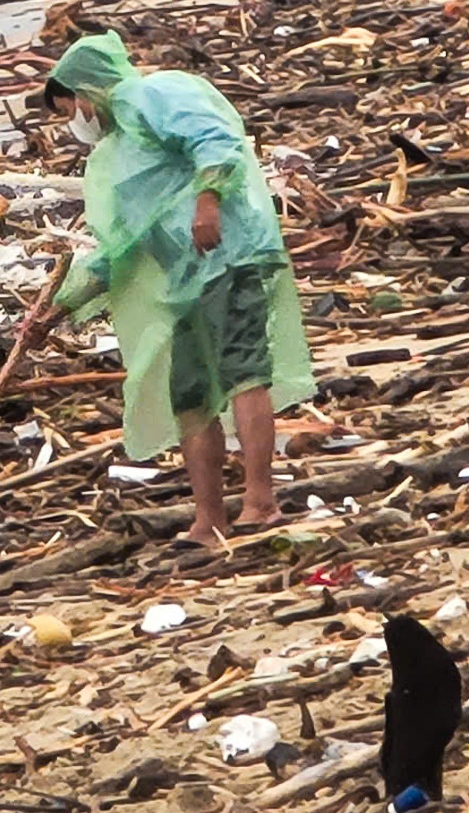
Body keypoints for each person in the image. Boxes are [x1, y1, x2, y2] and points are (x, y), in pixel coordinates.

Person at [42, 32, 315, 547]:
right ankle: (207, 519)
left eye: (69, 107)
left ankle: (261, 502)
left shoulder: (156, 96)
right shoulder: (116, 153)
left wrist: (207, 201)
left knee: (243, 374)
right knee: (190, 395)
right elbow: (122, 243)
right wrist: (59, 309)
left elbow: (214, 140)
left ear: (88, 89)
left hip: (228, 255)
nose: (73, 120)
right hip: (183, 281)